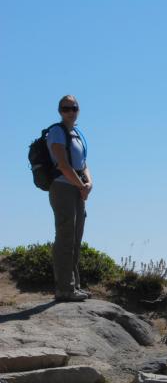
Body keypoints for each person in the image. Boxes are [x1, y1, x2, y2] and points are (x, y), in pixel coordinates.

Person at [46, 95, 93, 302]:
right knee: (65, 236)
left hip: (77, 189)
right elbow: (63, 165)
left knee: (76, 237)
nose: (70, 112)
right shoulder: (57, 131)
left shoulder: (77, 133)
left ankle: (74, 285)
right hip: (63, 188)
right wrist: (81, 185)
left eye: (74, 108)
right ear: (60, 111)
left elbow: (83, 164)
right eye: (66, 108)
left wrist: (88, 183)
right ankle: (64, 288)